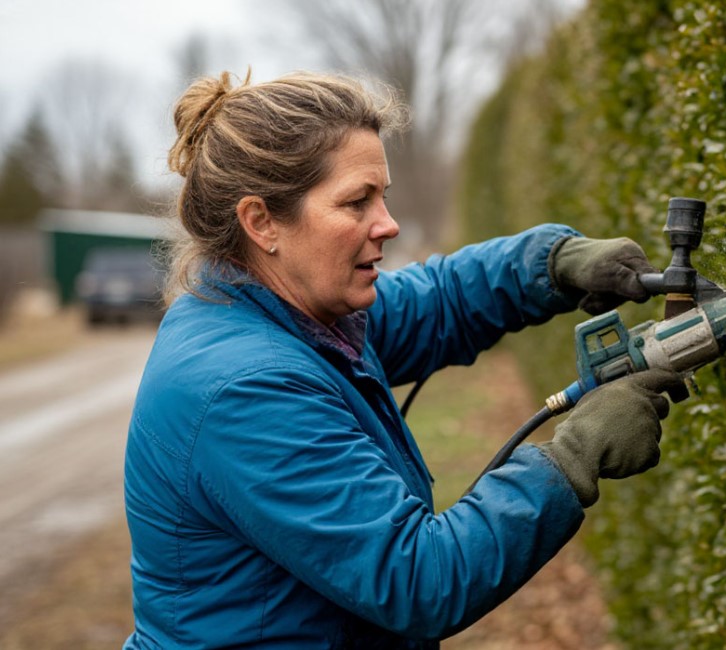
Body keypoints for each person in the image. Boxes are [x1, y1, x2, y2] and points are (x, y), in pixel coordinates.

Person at [123, 71, 683, 649]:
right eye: (356, 202)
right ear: (262, 221)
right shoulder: (245, 390)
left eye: (382, 196)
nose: (387, 224)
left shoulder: (296, 312)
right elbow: (418, 578)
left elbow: (439, 300)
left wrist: (551, 263)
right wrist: (578, 452)